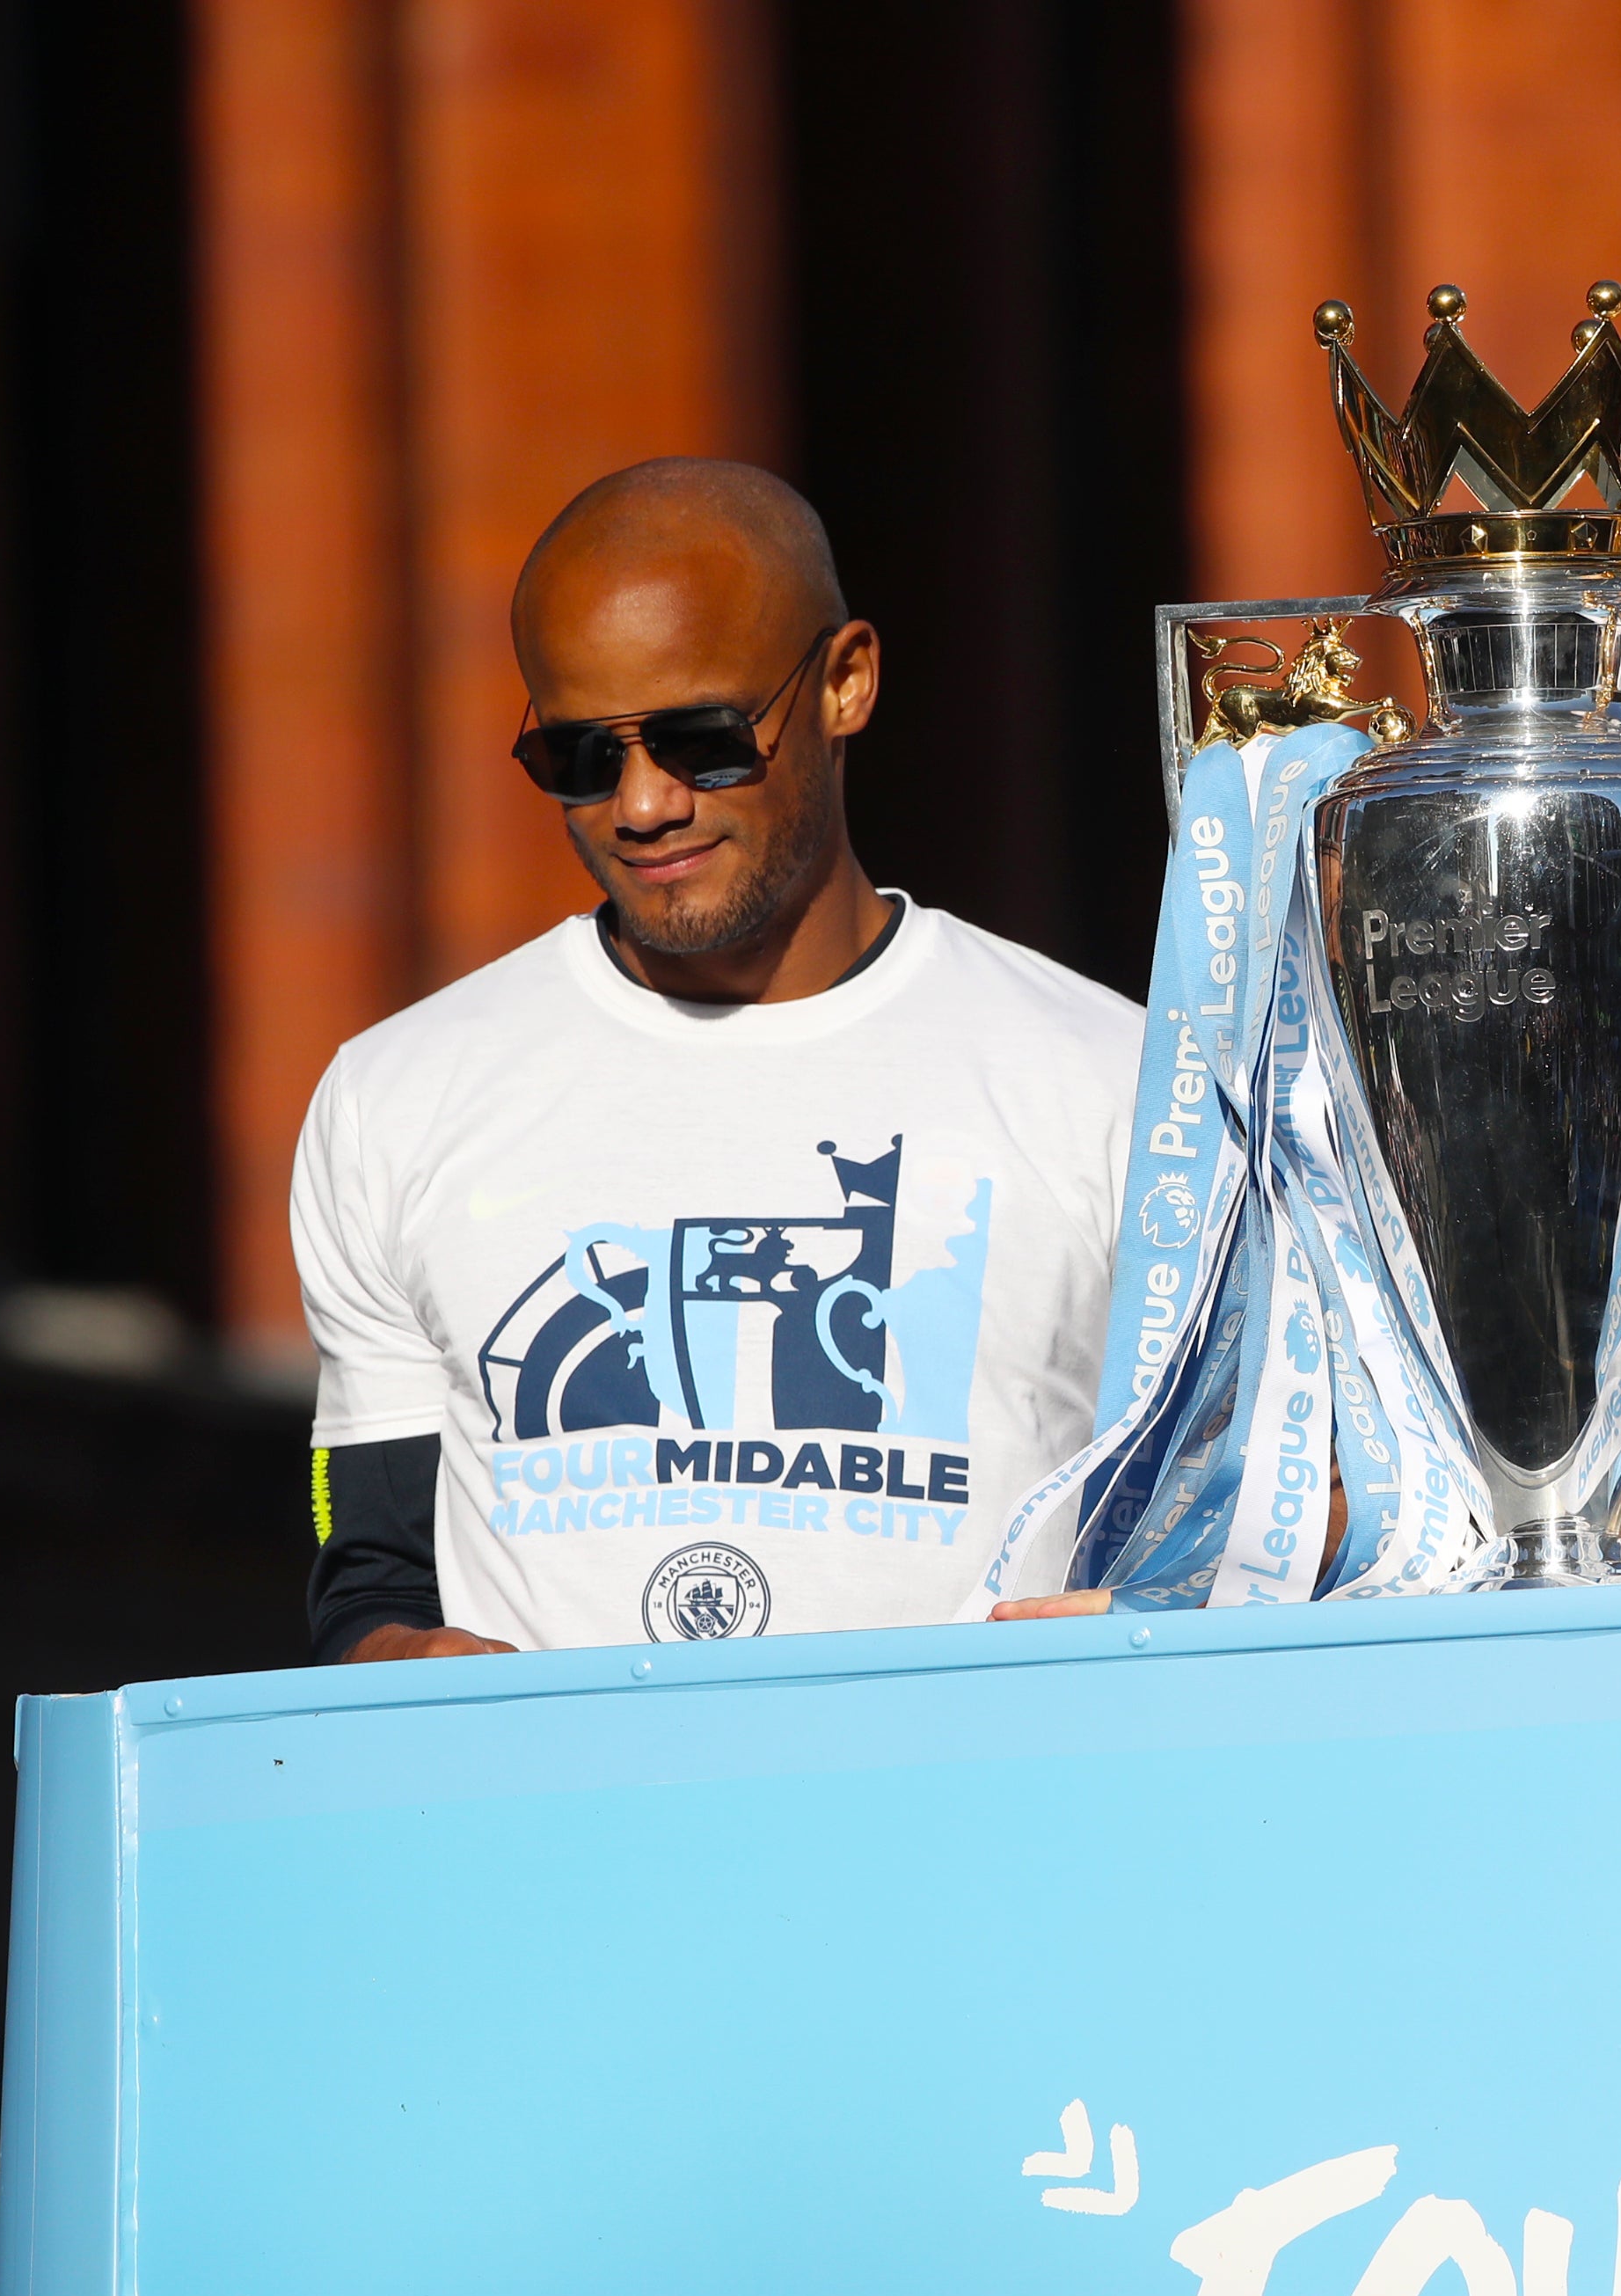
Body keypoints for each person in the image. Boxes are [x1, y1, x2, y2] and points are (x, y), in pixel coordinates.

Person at [294, 459, 1143, 1657]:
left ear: (847, 682)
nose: (642, 805)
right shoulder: (395, 1099)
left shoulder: (1110, 1082)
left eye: (703, 740)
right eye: (582, 757)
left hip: (968, 1829)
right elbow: (367, 1583)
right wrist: (417, 1670)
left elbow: (1245, 1527)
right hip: (555, 1837)